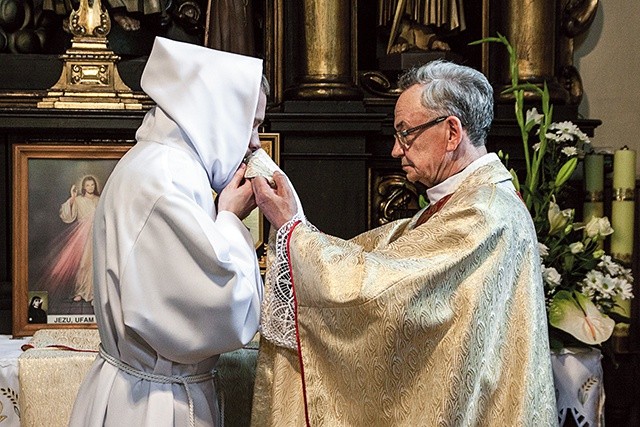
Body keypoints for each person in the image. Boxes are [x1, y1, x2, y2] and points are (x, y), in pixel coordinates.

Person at [250, 60, 557, 425]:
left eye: (405, 134)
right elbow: (386, 253)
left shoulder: (484, 213)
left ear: (452, 132)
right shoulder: (470, 200)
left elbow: (385, 290)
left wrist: (291, 230)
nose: (396, 150)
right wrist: (299, 231)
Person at [68, 37, 267, 427]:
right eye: (253, 124)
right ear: (217, 114)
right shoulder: (166, 178)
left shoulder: (161, 164)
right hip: (154, 405)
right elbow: (224, 312)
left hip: (141, 390)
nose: (256, 142)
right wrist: (227, 217)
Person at [58, 175, 100, 303]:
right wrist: (72, 197)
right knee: (82, 264)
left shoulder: (99, 199)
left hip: (97, 233)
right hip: (82, 234)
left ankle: (94, 294)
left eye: (92, 185)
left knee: (95, 263)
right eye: (87, 185)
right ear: (84, 187)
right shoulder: (79, 200)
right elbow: (67, 214)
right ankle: (80, 291)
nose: (90, 187)